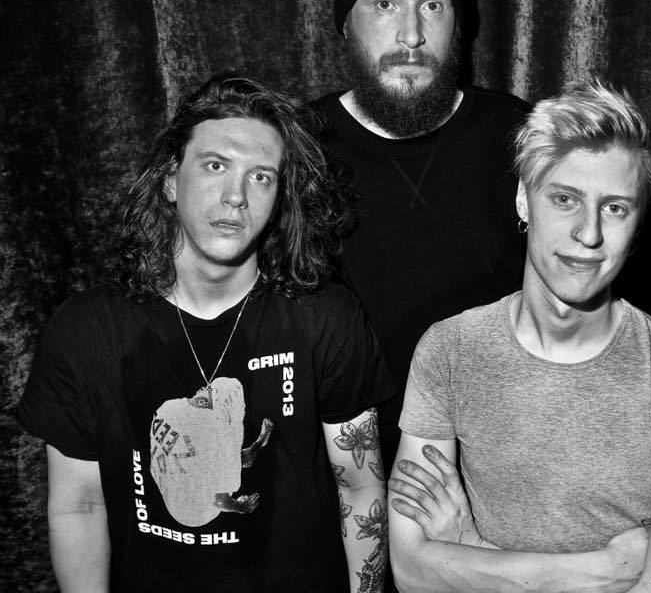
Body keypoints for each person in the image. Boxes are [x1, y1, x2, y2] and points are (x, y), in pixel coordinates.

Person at [16, 73, 395, 593]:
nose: (236, 196)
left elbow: (359, 486)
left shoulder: (326, 317)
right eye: (216, 165)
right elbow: (79, 505)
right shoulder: (86, 330)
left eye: (261, 176)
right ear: (171, 180)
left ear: (280, 199)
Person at [387, 81, 651, 592]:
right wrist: (602, 570)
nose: (588, 233)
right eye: (565, 199)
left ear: (638, 224)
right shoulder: (449, 352)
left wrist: (471, 549)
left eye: (615, 208)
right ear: (523, 200)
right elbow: (412, 572)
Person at [311, 0, 530, 475]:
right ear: (346, 23)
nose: (411, 35)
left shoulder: (519, 133)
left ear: (459, 25)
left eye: (433, 5)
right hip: (341, 469)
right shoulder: (300, 146)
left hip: (507, 460)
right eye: (385, 4)